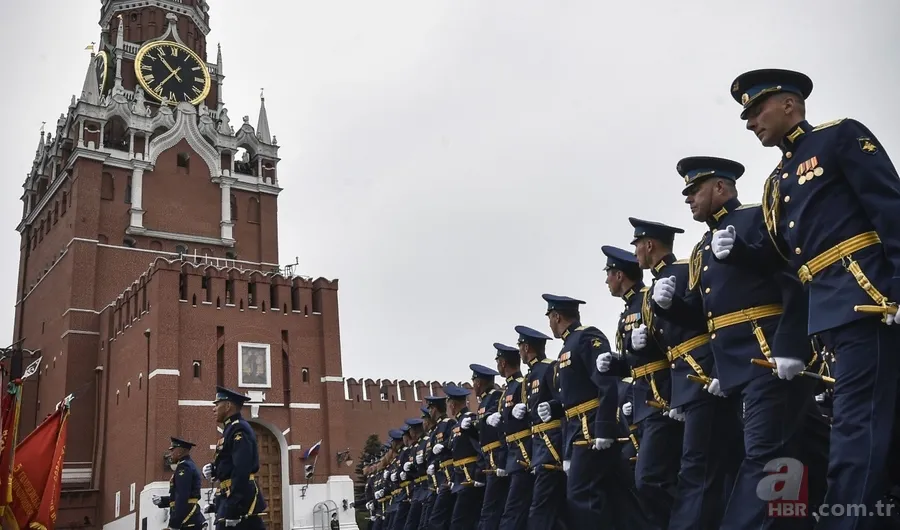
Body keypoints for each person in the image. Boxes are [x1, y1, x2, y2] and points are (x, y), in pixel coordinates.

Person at [713, 68, 900, 528]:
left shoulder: (838, 137)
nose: (750, 122)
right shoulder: (777, 181)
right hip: (827, 318)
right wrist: (739, 251)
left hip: (868, 304)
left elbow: (890, 208)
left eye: (757, 110)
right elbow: (785, 261)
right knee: (867, 426)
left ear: (789, 104)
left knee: (855, 428)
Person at [654, 156, 829, 527]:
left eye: (695, 190)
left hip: (770, 358)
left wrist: (790, 346)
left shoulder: (755, 218)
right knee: (806, 451)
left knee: (764, 456)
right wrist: (668, 307)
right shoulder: (703, 247)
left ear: (720, 187)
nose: (688, 199)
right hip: (738, 368)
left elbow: (793, 278)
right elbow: (704, 318)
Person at [541, 293, 652, 529]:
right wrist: (553, 408)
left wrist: (603, 428)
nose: (549, 323)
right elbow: (574, 396)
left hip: (591, 430)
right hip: (579, 430)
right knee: (622, 497)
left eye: (549, 317)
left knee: (582, 496)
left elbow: (606, 384)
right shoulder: (566, 348)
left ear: (556, 316)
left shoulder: (586, 337)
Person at [596, 246, 682, 530]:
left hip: (662, 398)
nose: (607, 280)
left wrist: (643, 346)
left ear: (620, 275)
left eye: (609, 274)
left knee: (650, 479)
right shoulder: (627, 312)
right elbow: (634, 363)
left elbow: (671, 341)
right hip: (642, 403)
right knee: (650, 480)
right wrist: (615, 363)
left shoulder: (648, 298)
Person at [514, 324, 567, 529]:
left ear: (526, 347)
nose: (519, 352)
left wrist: (552, 406)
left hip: (551, 445)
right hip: (538, 449)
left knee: (539, 509)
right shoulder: (529, 377)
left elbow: (564, 399)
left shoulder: (549, 368)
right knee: (554, 509)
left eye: (520, 347)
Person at [205, 387, 267, 530]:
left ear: (228, 406)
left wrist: (233, 507)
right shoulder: (229, 429)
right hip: (229, 498)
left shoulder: (239, 429)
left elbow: (241, 469)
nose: (214, 409)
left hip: (240, 502)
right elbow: (228, 464)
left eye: (217, 404)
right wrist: (213, 469)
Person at [487, 342, 533, 530]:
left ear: (503, 363)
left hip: (524, 455)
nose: (497, 365)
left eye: (498, 361)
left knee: (514, 510)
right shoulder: (506, 391)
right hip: (511, 457)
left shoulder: (522, 384)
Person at [467, 363, 508, 530]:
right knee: (491, 506)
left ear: (478, 382)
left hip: (496, 457)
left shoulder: (496, 396)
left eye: (474, 382)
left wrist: (501, 460)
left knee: (491, 507)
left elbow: (499, 429)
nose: (473, 386)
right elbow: (481, 435)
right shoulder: (484, 401)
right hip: (488, 459)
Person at [154, 437, 207, 530]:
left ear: (180, 451)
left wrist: (174, 525)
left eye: (172, 450)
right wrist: (163, 501)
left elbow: (182, 496)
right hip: (188, 518)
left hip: (187, 519)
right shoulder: (187, 465)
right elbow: (181, 496)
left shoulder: (184, 467)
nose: (170, 454)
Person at [425, 395, 456, 530]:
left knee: (436, 519)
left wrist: (444, 445)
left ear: (435, 409)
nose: (429, 412)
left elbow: (455, 442)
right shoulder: (436, 429)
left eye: (430, 409)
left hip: (449, 476)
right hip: (439, 478)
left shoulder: (448, 423)